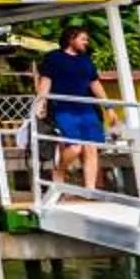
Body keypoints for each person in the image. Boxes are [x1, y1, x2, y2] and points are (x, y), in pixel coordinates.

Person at [34, 25, 108, 190]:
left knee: (91, 148)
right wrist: (40, 103)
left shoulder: (86, 60)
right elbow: (45, 82)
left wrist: (108, 107)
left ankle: (90, 189)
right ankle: (59, 170)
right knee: (75, 147)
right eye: (83, 39)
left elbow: (95, 84)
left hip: (87, 109)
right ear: (71, 39)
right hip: (63, 108)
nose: (86, 42)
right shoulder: (54, 58)